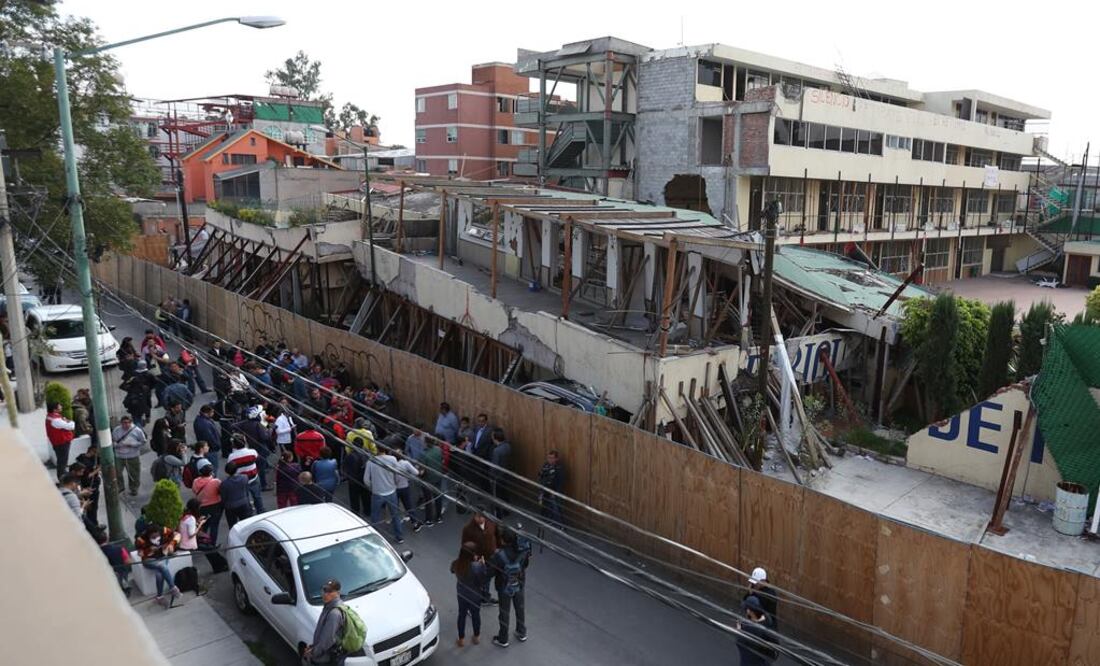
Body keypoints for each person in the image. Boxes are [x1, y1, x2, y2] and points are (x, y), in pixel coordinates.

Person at [491, 527, 531, 647]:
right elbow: (526, 564)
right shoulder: (522, 550)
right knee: (520, 608)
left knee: (504, 612)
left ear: (503, 540)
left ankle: (503, 638)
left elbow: (491, 571)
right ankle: (521, 632)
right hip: (519, 583)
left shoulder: (499, 555)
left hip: (504, 586)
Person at [135, 524, 183, 608]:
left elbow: (177, 535)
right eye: (153, 537)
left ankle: (159, 597)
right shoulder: (141, 539)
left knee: (159, 574)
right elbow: (140, 553)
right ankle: (173, 588)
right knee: (162, 566)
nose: (156, 538)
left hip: (163, 555)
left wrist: (171, 544)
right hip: (149, 560)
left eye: (157, 536)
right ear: (148, 535)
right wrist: (148, 550)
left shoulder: (164, 530)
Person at [452, 541, 489, 647]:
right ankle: (476, 637)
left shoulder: (457, 563)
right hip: (475, 596)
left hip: (462, 594)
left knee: (461, 615)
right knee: (476, 615)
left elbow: (452, 570)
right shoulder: (477, 567)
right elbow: (483, 580)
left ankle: (461, 639)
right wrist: (483, 565)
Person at [365, 449, 404, 544]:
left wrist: (372, 487)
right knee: (395, 515)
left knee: (375, 516)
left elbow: (366, 479)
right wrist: (395, 484)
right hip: (391, 492)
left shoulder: (371, 461)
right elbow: (398, 474)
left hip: (377, 493)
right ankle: (399, 536)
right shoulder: (392, 459)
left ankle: (375, 538)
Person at [304, 580, 346, 664]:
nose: (325, 594)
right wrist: (313, 646)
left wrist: (313, 653)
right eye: (324, 590)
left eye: (330, 591)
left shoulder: (334, 613)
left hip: (326, 660)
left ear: (338, 593)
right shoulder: (328, 607)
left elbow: (327, 640)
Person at [227, 433, 264, 513]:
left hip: (241, 480)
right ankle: (260, 511)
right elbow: (258, 460)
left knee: (245, 498)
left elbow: (230, 467)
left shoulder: (231, 457)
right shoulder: (252, 452)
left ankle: (249, 513)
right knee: (257, 497)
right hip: (254, 477)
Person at [736, 596, 778, 666]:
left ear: (749, 611)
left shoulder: (750, 628)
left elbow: (741, 644)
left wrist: (739, 630)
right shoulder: (767, 621)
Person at [392, 443, 423, 533]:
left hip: (394, 488)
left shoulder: (391, 463)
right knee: (408, 505)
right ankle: (415, 523)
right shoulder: (405, 463)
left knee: (395, 506)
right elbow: (416, 472)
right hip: (404, 487)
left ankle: (398, 523)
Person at [112, 415, 146, 496]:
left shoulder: (137, 430)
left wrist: (133, 444)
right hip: (119, 455)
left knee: (134, 473)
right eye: (124, 423)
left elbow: (143, 441)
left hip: (132, 455)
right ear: (121, 423)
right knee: (117, 472)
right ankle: (120, 487)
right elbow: (113, 440)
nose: (126, 425)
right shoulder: (116, 430)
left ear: (131, 423)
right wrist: (117, 445)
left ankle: (134, 488)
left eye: (128, 423)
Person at [191, 460, 223, 544]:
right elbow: (221, 492)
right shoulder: (216, 482)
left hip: (202, 507)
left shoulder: (195, 482)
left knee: (203, 525)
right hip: (216, 506)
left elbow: (194, 491)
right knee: (214, 526)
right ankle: (212, 543)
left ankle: (202, 541)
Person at [96, 528, 132, 595]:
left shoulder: (95, 554)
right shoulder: (119, 548)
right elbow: (128, 561)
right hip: (121, 574)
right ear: (107, 539)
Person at [46, 402, 76, 481]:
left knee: (61, 461)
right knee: (62, 461)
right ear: (55, 409)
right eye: (59, 406)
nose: (61, 407)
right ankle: (62, 478)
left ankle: (62, 475)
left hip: (58, 442)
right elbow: (71, 426)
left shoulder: (50, 417)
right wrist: (70, 421)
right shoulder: (56, 420)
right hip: (62, 443)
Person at [220, 463, 253, 528]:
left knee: (232, 526)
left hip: (230, 506)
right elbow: (246, 490)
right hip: (244, 503)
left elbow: (223, 497)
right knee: (246, 525)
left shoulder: (224, 483)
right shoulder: (244, 477)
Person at [537, 450, 565, 527]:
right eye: (549, 457)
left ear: (556, 459)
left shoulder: (559, 468)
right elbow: (540, 475)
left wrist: (556, 492)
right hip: (544, 489)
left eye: (552, 458)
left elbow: (560, 481)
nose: (550, 460)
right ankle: (547, 520)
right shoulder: (546, 465)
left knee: (556, 508)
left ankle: (560, 525)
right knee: (545, 506)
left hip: (554, 491)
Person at [420, 437, 444, 526]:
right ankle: (439, 517)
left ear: (426, 443)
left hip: (428, 479)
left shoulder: (424, 454)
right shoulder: (438, 449)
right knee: (438, 497)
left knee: (428, 500)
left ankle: (429, 519)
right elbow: (442, 460)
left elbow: (422, 471)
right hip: (438, 477)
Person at [489, 428, 512, 518]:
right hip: (506, 474)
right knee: (505, 493)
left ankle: (498, 514)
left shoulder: (496, 451)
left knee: (497, 495)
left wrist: (491, 477)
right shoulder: (507, 446)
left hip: (498, 477)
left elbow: (494, 466)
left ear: (496, 438)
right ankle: (507, 511)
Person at [194, 405, 222, 474]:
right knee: (213, 469)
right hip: (210, 450)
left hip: (208, 448)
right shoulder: (204, 424)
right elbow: (210, 438)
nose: (213, 413)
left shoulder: (203, 420)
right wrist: (217, 445)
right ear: (207, 412)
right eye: (212, 412)